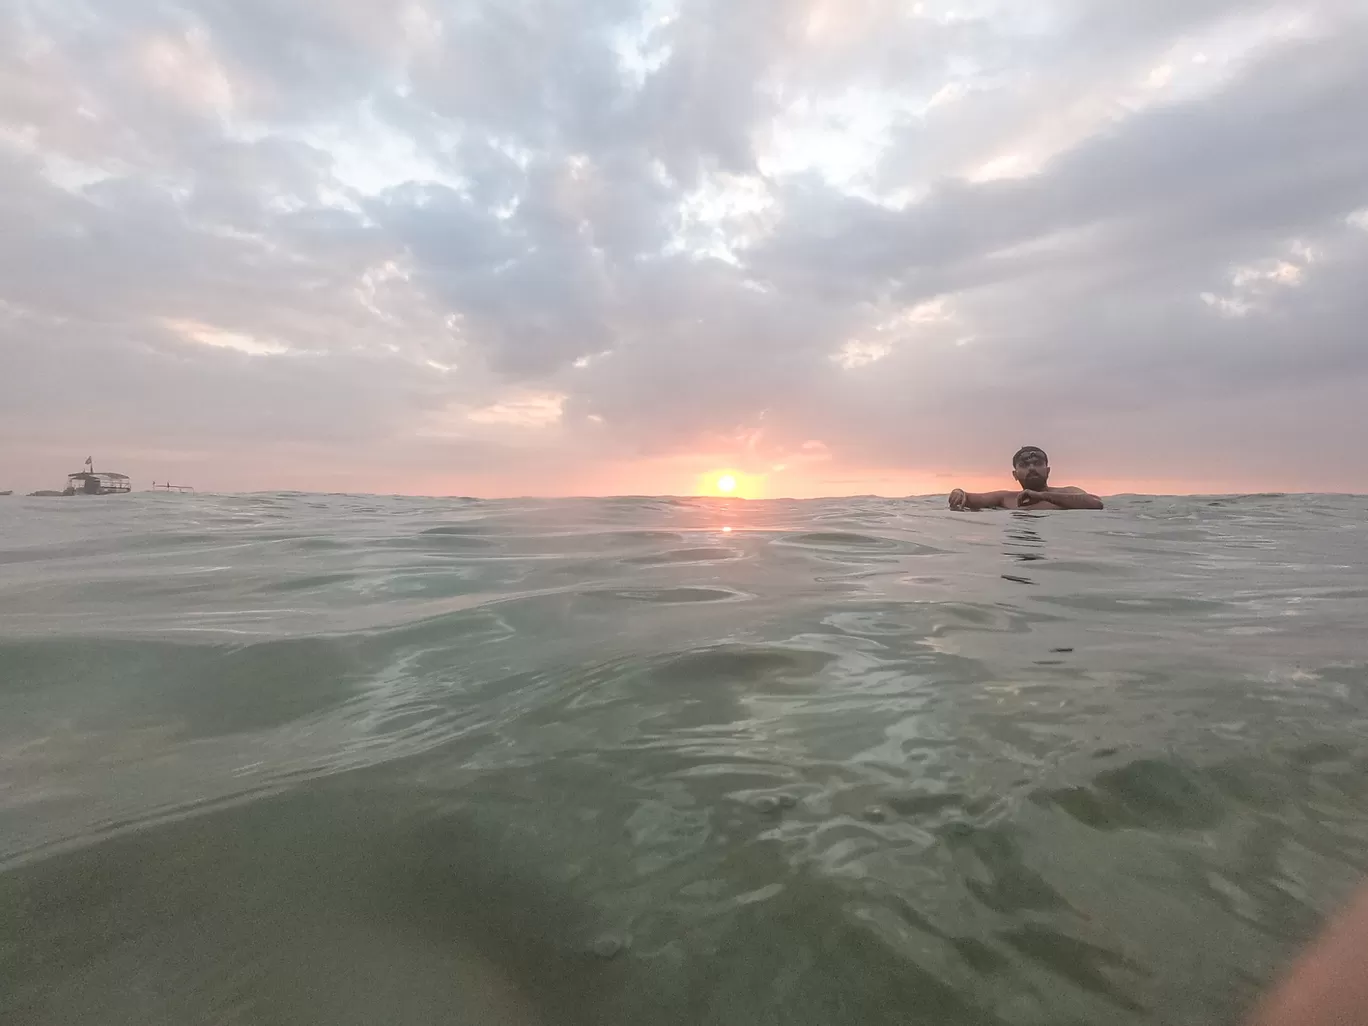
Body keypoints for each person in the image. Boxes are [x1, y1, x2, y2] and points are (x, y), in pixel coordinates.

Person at [948, 446, 1103, 511]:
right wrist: (958, 492)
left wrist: (1042, 496)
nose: (1031, 468)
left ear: (1047, 471)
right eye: (1024, 465)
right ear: (1015, 475)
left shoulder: (1068, 492)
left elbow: (1096, 503)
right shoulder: (1006, 498)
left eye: (1037, 463)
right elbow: (969, 498)